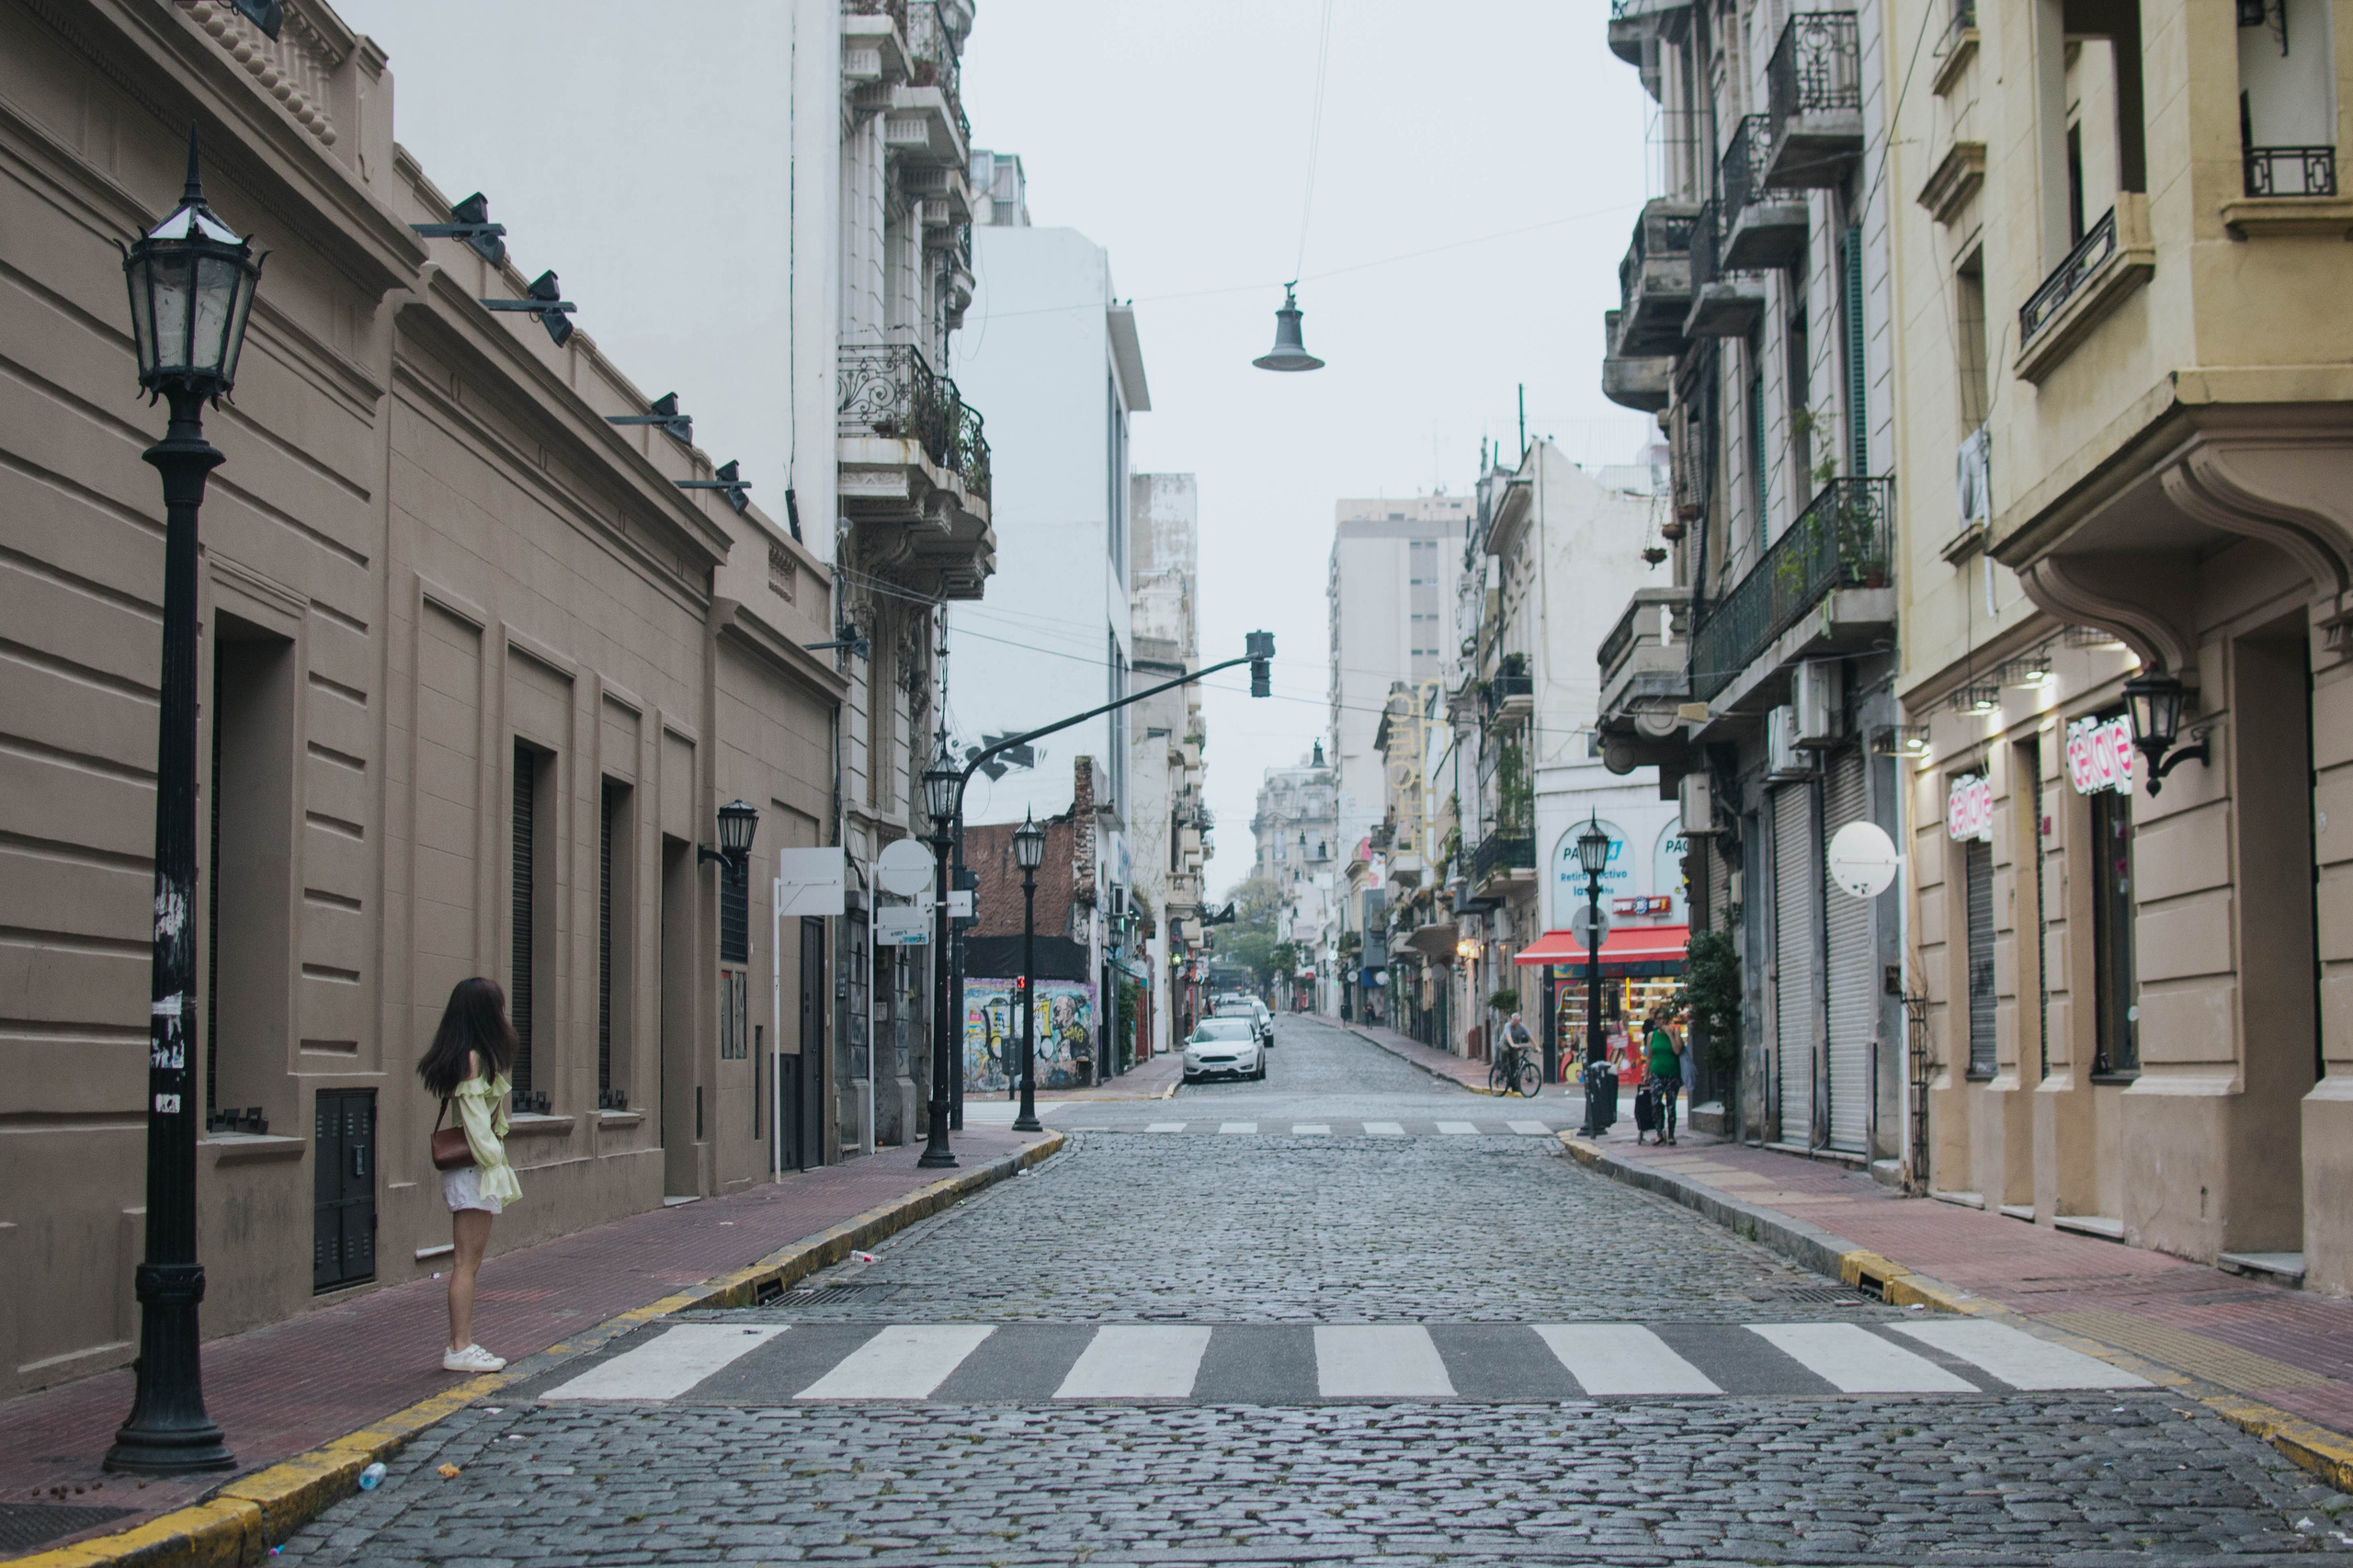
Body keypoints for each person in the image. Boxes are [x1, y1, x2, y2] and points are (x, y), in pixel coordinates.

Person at [416, 977, 523, 1373]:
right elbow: (478, 1125)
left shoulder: (468, 1056)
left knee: (467, 1261)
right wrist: (496, 1162)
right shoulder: (473, 1059)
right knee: (467, 1263)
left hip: (472, 1169)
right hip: (476, 1170)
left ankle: (461, 1345)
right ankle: (460, 1348)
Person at [1644, 1011, 1685, 1145]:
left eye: (1664, 1019)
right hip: (1656, 1073)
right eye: (1659, 1019)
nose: (1661, 1022)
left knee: (1671, 1105)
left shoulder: (1675, 1033)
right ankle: (1659, 1132)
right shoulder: (1652, 1035)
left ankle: (1671, 1134)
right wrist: (1646, 1074)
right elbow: (1649, 1056)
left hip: (1672, 1074)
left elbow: (1677, 1051)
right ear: (1655, 1021)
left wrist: (1669, 1034)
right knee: (1655, 1102)